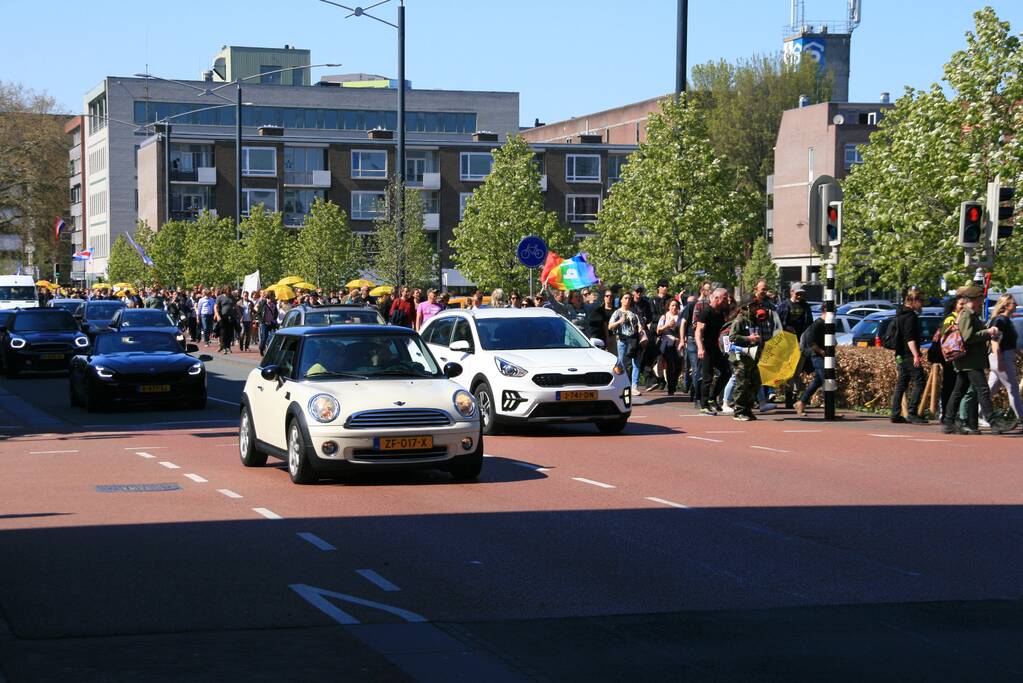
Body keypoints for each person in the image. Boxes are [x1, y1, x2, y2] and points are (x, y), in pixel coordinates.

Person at [941, 286, 1003, 435]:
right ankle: (992, 422)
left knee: (959, 390)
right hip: (970, 361)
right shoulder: (966, 315)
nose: (982, 302)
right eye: (981, 299)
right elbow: (968, 337)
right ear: (974, 300)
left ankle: (948, 422)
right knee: (982, 389)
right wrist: (988, 332)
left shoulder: (969, 314)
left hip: (968, 360)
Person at [889, 291, 928, 424]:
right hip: (908, 354)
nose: (922, 304)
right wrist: (916, 355)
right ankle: (912, 412)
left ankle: (895, 413)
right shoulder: (910, 317)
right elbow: (910, 338)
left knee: (902, 383)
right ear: (914, 301)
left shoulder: (900, 314)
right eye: (921, 301)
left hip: (900, 354)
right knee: (920, 381)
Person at [986, 293, 1022, 428]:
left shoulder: (1006, 321)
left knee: (991, 388)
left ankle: (976, 412)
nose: (1016, 305)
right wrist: (999, 360)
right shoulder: (999, 321)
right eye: (1014, 303)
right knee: (1012, 388)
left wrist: (1019, 354)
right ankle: (1021, 416)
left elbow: (1010, 343)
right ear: (1006, 305)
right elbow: (995, 342)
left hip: (1003, 356)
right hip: (1001, 357)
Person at [776, 284, 814, 407]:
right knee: (789, 370)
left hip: (801, 343)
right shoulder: (783, 306)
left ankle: (795, 395)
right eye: (797, 293)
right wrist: (787, 329)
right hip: (787, 343)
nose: (799, 296)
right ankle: (788, 397)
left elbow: (810, 324)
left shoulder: (806, 307)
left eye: (801, 294)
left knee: (798, 371)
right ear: (791, 292)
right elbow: (778, 324)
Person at [727, 297, 764, 421]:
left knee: (755, 382)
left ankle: (748, 409)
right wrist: (748, 339)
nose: (756, 308)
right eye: (753, 306)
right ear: (746, 307)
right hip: (740, 357)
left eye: (756, 306)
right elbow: (732, 337)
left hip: (752, 357)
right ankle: (739, 410)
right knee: (741, 384)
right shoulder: (740, 320)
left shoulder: (754, 321)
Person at [696, 288, 731, 415]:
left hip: (717, 349)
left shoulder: (721, 312)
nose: (727, 300)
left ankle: (712, 398)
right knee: (707, 377)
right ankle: (704, 405)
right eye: (724, 298)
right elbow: (698, 332)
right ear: (716, 298)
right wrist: (700, 348)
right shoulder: (706, 312)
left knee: (727, 372)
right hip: (706, 349)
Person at [608, 293, 643, 394]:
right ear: (621, 300)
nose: (628, 300)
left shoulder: (634, 312)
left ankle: (634, 386)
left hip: (634, 340)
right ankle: (622, 384)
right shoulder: (617, 312)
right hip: (622, 340)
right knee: (622, 363)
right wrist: (619, 321)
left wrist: (641, 329)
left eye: (629, 298)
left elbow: (640, 324)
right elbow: (610, 326)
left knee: (636, 363)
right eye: (626, 298)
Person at [794, 315, 826, 415]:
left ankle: (801, 403)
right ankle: (830, 408)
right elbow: (810, 340)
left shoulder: (828, 324)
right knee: (826, 379)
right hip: (816, 355)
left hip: (824, 356)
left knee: (818, 381)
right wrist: (821, 351)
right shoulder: (817, 324)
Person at [657, 298, 683, 395]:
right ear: (668, 306)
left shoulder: (681, 317)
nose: (674, 307)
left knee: (678, 366)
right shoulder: (664, 317)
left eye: (676, 305)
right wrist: (667, 325)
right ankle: (671, 388)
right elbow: (658, 330)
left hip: (678, 344)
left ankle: (674, 383)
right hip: (667, 344)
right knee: (670, 365)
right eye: (672, 305)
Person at [214, 287, 237, 353]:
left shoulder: (232, 297)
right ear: (224, 291)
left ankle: (228, 346)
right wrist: (217, 315)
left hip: (230, 317)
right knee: (222, 332)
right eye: (228, 291)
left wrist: (239, 314)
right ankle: (223, 347)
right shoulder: (220, 297)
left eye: (230, 291)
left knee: (229, 332)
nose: (229, 292)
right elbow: (216, 307)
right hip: (222, 316)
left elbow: (235, 306)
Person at [256, 290, 279, 355]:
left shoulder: (274, 303)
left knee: (273, 336)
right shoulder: (263, 303)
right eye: (273, 296)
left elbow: (275, 312)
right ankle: (261, 348)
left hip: (272, 323)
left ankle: (270, 350)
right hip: (264, 323)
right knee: (264, 338)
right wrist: (262, 321)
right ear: (270, 296)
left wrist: (274, 319)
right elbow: (259, 314)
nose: (274, 297)